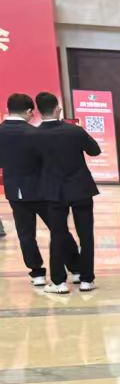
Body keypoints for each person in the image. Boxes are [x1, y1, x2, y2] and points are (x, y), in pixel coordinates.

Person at [33, 92, 95, 293]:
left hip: (53, 192)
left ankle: (59, 282)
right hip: (81, 189)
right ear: (57, 108)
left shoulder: (34, 135)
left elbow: (33, 163)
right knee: (86, 235)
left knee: (58, 235)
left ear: (38, 111)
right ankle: (86, 280)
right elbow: (94, 150)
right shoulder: (74, 131)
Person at [0, 93, 54, 285]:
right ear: (29, 111)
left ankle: (37, 273)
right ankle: (75, 268)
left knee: (25, 234)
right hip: (41, 190)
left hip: (14, 190)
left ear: (8, 109)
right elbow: (48, 161)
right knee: (58, 229)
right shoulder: (35, 133)